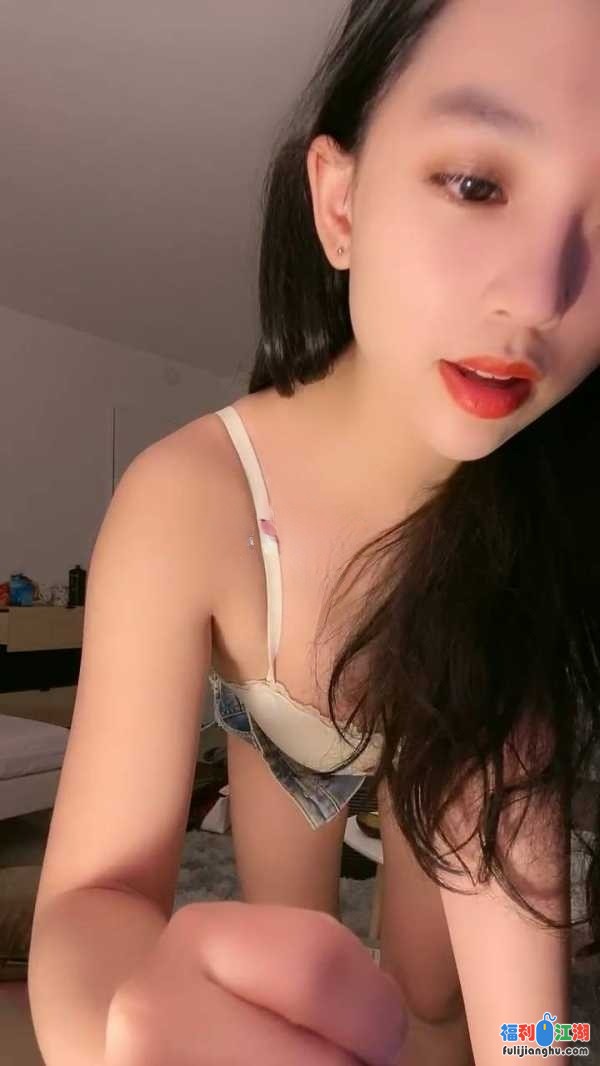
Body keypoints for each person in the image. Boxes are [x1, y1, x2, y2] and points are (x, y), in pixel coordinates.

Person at [27, 0, 600, 1063]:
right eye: (475, 184)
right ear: (339, 202)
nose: (538, 297)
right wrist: (119, 1015)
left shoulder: (526, 550)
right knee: (297, 960)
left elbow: (535, 1022)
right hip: (283, 740)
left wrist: (552, 1047)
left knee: (430, 989)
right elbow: (90, 902)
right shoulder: (189, 498)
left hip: (447, 730)